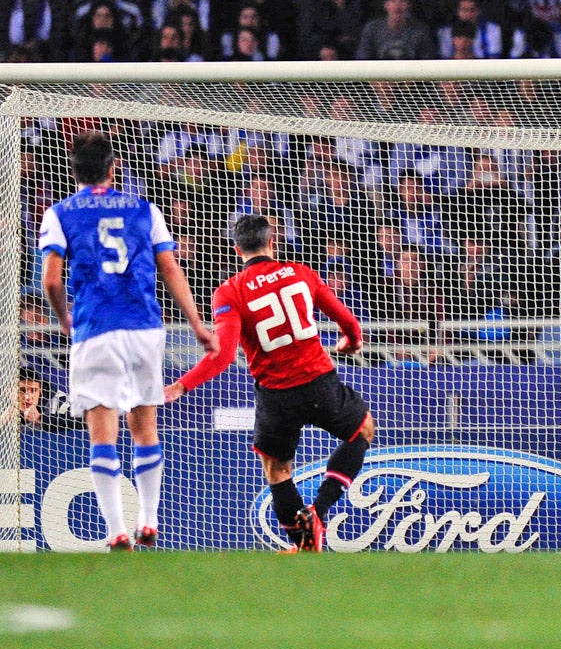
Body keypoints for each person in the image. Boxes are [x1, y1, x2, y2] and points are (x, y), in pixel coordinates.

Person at [38, 131, 218, 551]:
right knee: (146, 429)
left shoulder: (59, 213)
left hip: (95, 328)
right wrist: (196, 324)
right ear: (113, 167)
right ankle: (150, 519)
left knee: (103, 434)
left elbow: (50, 278)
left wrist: (65, 316)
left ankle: (117, 530)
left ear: (73, 170)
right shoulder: (145, 209)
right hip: (144, 329)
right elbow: (171, 270)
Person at [164, 215, 372, 554]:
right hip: (319, 381)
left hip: (276, 397)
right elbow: (347, 320)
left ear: (237, 250)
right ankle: (318, 511)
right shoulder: (301, 273)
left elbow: (224, 356)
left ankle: (305, 543)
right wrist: (351, 340)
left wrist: (181, 385)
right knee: (362, 429)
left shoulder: (229, 291)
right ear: (271, 242)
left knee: (277, 471)